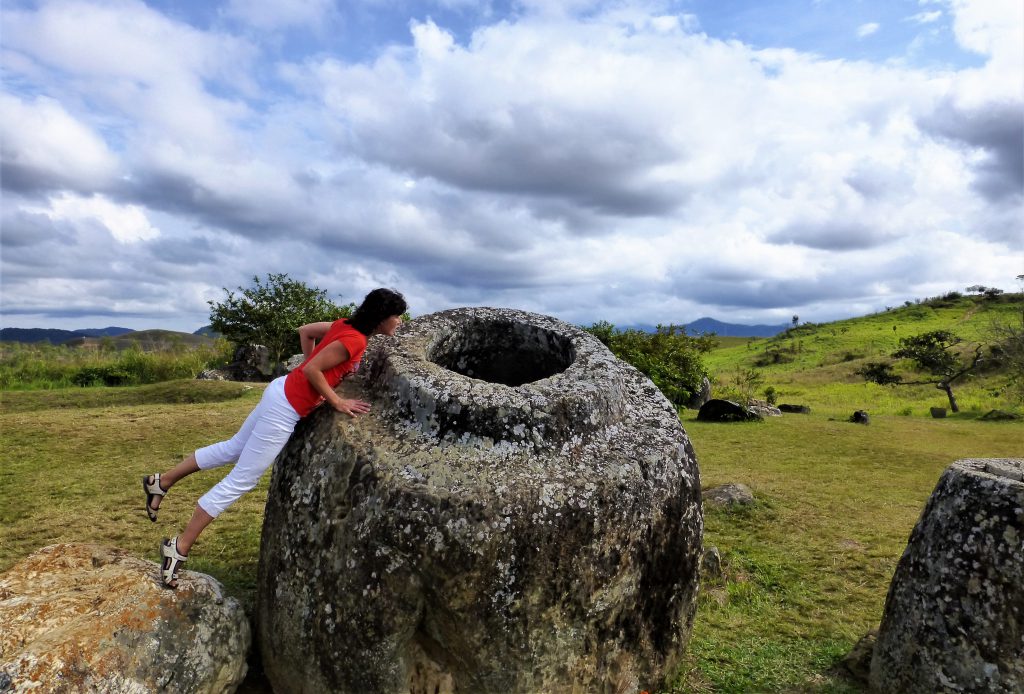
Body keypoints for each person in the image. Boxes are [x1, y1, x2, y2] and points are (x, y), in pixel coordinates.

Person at [142, 287, 407, 588]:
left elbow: (305, 332)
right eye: (397, 316)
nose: (399, 321)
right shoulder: (354, 339)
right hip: (286, 407)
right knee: (242, 479)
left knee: (233, 448)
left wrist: (311, 367)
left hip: (280, 390)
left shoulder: (343, 324)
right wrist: (336, 401)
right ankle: (179, 547)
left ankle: (160, 482)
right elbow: (313, 370)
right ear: (381, 317)